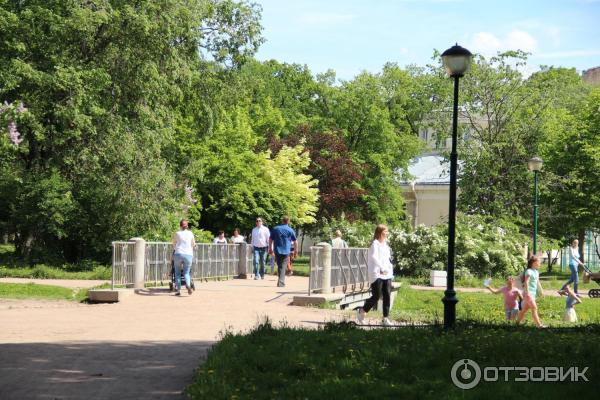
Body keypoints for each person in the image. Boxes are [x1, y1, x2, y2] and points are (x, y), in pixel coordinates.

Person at [356, 225, 394, 326]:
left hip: (387, 273)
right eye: (386, 231)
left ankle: (385, 318)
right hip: (377, 273)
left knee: (387, 295)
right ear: (380, 232)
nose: (387, 233)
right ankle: (362, 311)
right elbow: (374, 257)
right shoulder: (375, 244)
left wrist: (390, 269)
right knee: (376, 296)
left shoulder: (386, 244)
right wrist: (381, 268)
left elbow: (388, 258)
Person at [269, 216, 297, 287]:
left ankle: (280, 281)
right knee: (283, 266)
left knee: (280, 266)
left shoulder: (276, 228)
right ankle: (281, 282)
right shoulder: (290, 230)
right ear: (288, 221)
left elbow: (270, 239)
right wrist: (296, 251)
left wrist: (270, 248)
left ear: (282, 221)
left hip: (277, 250)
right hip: (286, 250)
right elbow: (295, 241)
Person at [517, 256, 545, 327]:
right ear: (534, 263)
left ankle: (516, 324)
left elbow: (538, 282)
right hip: (528, 294)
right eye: (539, 262)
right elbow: (526, 282)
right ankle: (539, 325)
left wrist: (541, 291)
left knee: (524, 310)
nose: (540, 263)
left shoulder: (536, 272)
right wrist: (528, 293)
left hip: (533, 294)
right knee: (534, 307)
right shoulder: (529, 271)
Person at [172, 219, 195, 296]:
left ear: (180, 226)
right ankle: (188, 285)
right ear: (187, 226)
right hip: (188, 254)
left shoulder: (177, 233)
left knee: (177, 273)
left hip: (178, 253)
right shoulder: (190, 233)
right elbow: (193, 244)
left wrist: (176, 249)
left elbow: (174, 243)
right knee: (186, 272)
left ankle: (178, 290)